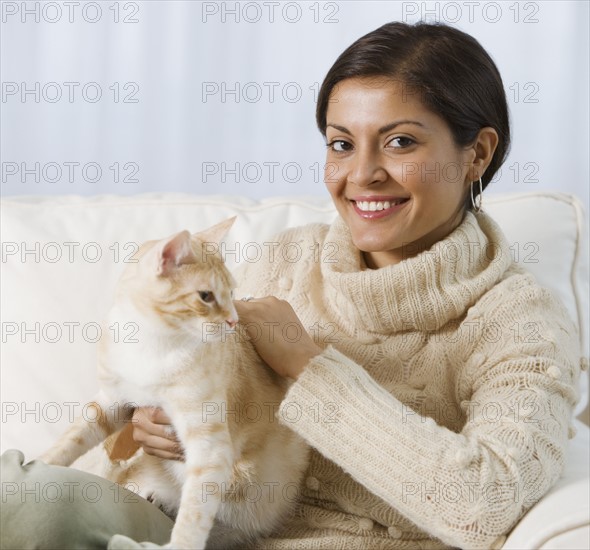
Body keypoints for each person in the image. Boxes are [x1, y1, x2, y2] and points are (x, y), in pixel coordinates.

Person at [1, 21, 581, 550]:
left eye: (401, 141)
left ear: (476, 153)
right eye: (341, 143)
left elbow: (485, 507)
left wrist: (309, 366)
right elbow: (142, 438)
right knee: (27, 502)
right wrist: (148, 432)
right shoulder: (286, 258)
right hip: (183, 528)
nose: (361, 174)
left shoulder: (523, 321)